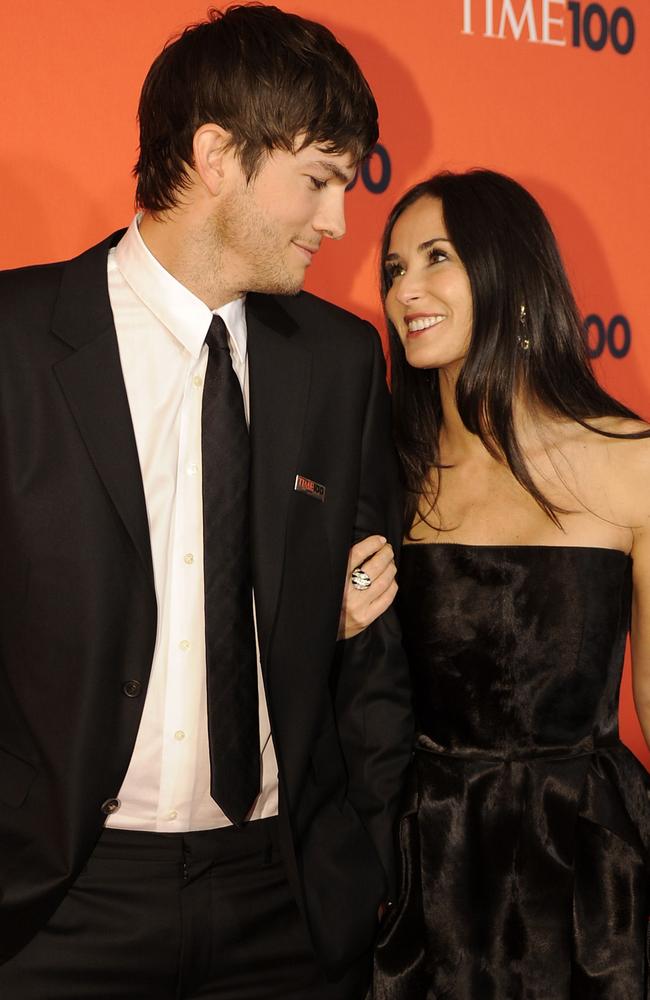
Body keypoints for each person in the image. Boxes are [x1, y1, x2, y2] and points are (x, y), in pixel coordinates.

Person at [0, 6, 414, 998]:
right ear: (216, 153)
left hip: (283, 903)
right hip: (58, 903)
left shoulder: (341, 360)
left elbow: (369, 653)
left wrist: (372, 856)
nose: (339, 221)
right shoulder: (13, 343)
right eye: (317, 179)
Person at [344, 169, 650, 998]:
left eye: (436, 257)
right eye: (394, 269)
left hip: (592, 871)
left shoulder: (632, 462)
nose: (407, 289)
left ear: (511, 275)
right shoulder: (384, 475)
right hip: (428, 868)